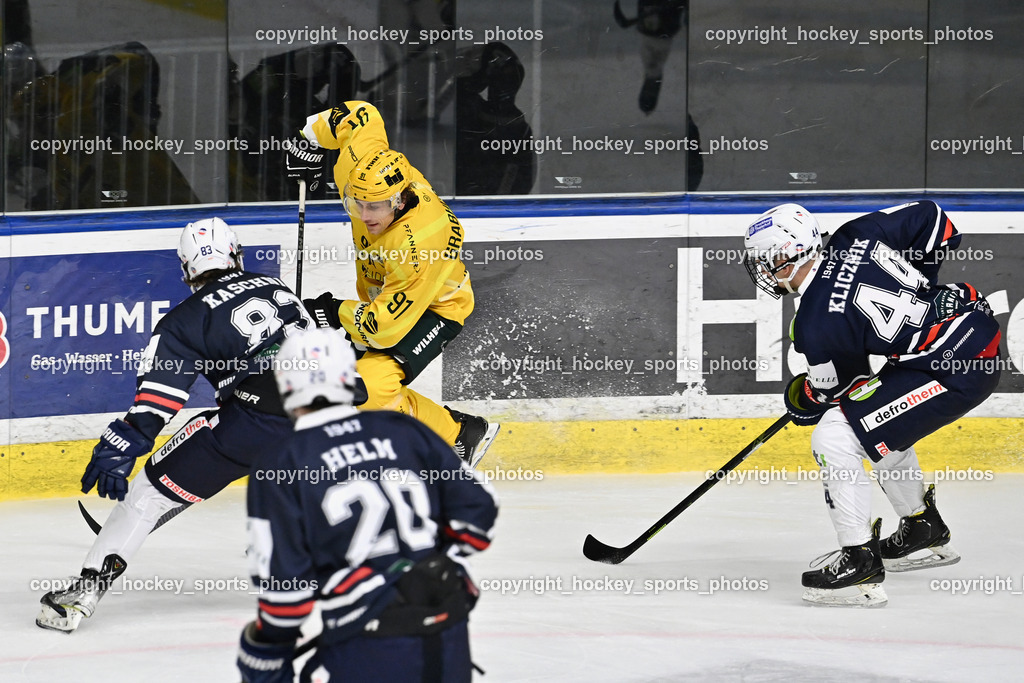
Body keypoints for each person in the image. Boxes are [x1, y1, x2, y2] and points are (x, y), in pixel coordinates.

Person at [37, 217, 314, 632]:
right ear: (236, 255)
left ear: (186, 270)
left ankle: (82, 596)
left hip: (258, 423)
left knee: (149, 492)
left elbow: (159, 397)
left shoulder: (184, 320)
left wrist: (124, 442)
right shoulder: (277, 288)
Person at [742, 201, 1001, 607]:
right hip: (965, 329)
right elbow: (936, 221)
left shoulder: (814, 322)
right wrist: (923, 287)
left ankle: (858, 558)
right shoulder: (853, 234)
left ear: (788, 254)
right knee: (869, 425)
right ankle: (921, 526)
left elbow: (838, 392)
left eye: (767, 259)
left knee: (834, 437)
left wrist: (803, 399)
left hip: (957, 367)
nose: (764, 270)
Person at [236, 327, 498, 683]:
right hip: (447, 621)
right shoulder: (404, 429)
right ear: (350, 378)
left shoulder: (282, 462)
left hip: (370, 641)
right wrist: (421, 566)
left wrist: (263, 650)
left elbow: (287, 595)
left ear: (285, 384)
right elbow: (478, 514)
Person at [282, 100, 499, 467]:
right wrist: (307, 140)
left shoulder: (418, 243)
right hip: (383, 298)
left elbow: (384, 329)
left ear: (399, 201)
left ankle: (458, 434)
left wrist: (332, 312)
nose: (365, 216)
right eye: (357, 204)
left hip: (434, 309)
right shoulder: (359, 170)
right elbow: (359, 115)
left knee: (366, 387)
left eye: (375, 207)